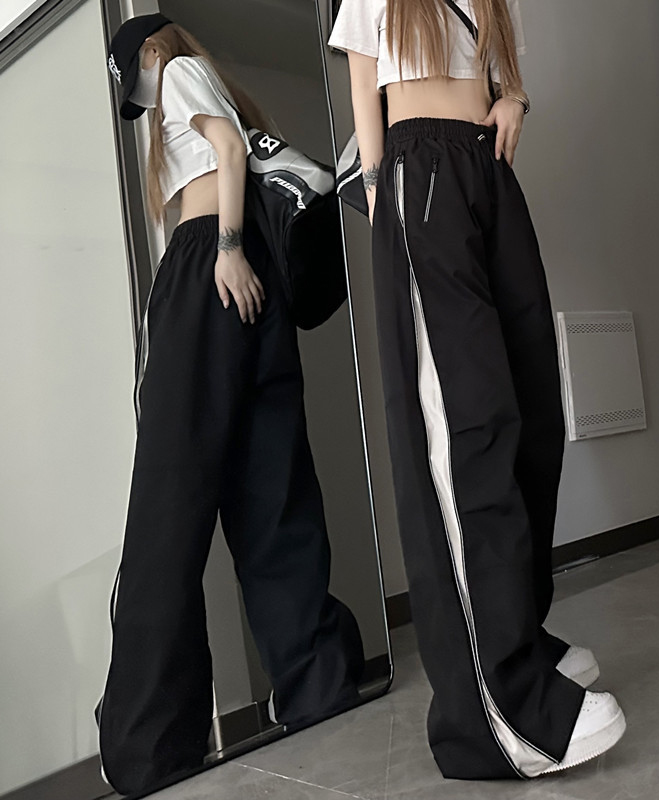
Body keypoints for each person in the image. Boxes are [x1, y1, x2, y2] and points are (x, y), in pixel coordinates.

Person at [329, 0, 626, 779]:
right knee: (466, 428)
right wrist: (382, 198)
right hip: (417, 169)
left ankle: (519, 635)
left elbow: (500, 69)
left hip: (486, 170)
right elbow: (364, 78)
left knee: (532, 416)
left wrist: (514, 97)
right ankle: (499, 709)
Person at [97, 14, 364, 796]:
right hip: (254, 285)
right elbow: (236, 148)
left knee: (168, 500)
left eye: (138, 81)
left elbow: (228, 152)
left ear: (152, 51)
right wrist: (239, 252)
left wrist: (224, 247)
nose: (146, 99)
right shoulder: (215, 89)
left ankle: (148, 741)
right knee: (271, 486)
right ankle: (316, 682)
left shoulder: (178, 70)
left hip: (208, 269)